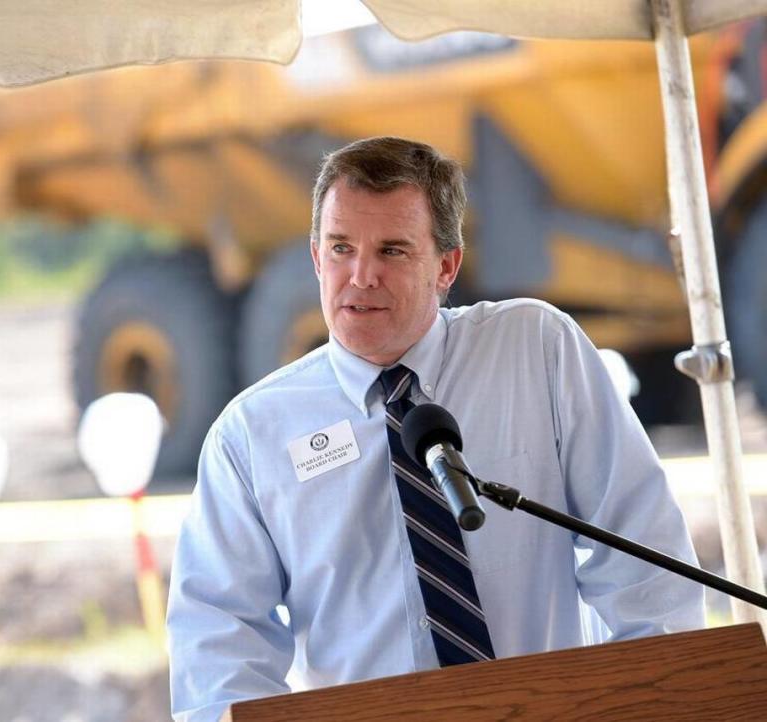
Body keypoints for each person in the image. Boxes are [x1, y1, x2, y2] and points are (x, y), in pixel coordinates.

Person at [166, 136, 704, 721]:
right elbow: (217, 642)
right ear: (317, 258)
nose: (361, 276)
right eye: (341, 248)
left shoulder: (537, 350)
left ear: (447, 265)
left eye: (392, 251)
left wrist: (655, 699)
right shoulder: (250, 435)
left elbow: (641, 552)